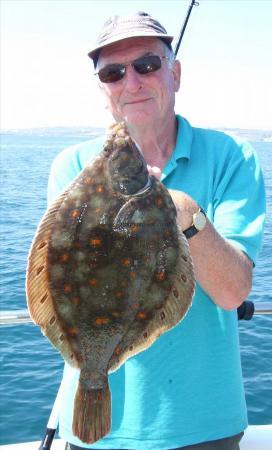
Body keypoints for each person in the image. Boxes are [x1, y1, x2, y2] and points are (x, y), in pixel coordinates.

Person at [47, 12, 266, 450]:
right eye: (113, 72)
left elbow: (232, 293)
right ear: (104, 89)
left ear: (175, 73)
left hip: (202, 426)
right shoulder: (71, 168)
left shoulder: (231, 157)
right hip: (95, 434)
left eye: (147, 65)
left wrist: (182, 212)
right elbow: (57, 281)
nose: (131, 82)